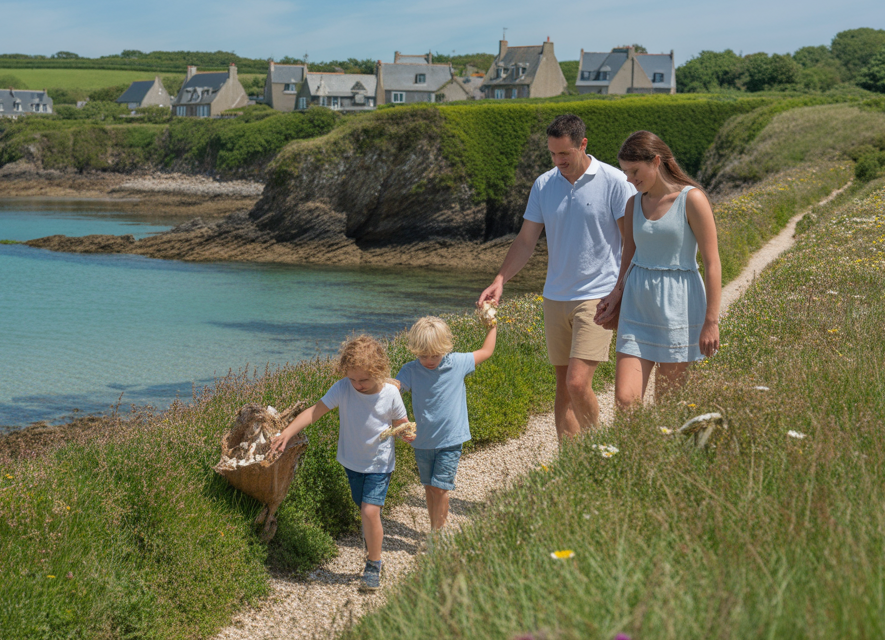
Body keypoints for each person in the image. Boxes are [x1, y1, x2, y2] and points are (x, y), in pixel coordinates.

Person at [477, 114, 633, 441]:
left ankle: (600, 452)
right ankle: (571, 468)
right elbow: (525, 240)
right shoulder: (544, 184)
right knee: (563, 387)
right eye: (552, 154)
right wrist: (500, 279)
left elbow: (629, 243)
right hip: (555, 297)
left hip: (598, 296)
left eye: (565, 154)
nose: (558, 161)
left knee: (578, 382)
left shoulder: (615, 181)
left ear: (583, 145)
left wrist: (620, 291)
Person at [269, 335, 408, 593]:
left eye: (363, 380)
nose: (357, 384)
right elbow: (314, 411)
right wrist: (288, 432)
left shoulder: (390, 394)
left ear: (379, 372)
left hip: (379, 464)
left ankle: (373, 564)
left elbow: (402, 425)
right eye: (352, 378)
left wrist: (408, 435)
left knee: (369, 512)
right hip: (351, 461)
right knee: (363, 507)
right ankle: (372, 541)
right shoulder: (343, 388)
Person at [593, 131, 721, 408]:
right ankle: (630, 452)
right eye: (626, 172)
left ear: (657, 161)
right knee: (625, 400)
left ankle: (661, 452)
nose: (629, 179)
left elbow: (712, 263)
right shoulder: (632, 204)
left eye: (634, 170)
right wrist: (615, 296)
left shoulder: (692, 199)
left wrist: (711, 321)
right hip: (637, 306)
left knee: (669, 406)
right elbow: (627, 257)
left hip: (680, 306)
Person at [395, 316, 496, 535]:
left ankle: (437, 537)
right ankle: (434, 530)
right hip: (422, 442)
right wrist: (384, 384)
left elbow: (486, 351)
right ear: (415, 351)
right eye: (423, 355)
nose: (429, 360)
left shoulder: (457, 363)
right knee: (430, 488)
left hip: (450, 440)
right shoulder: (410, 370)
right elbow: (394, 392)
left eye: (435, 355)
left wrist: (492, 325)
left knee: (441, 488)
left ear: (445, 348)